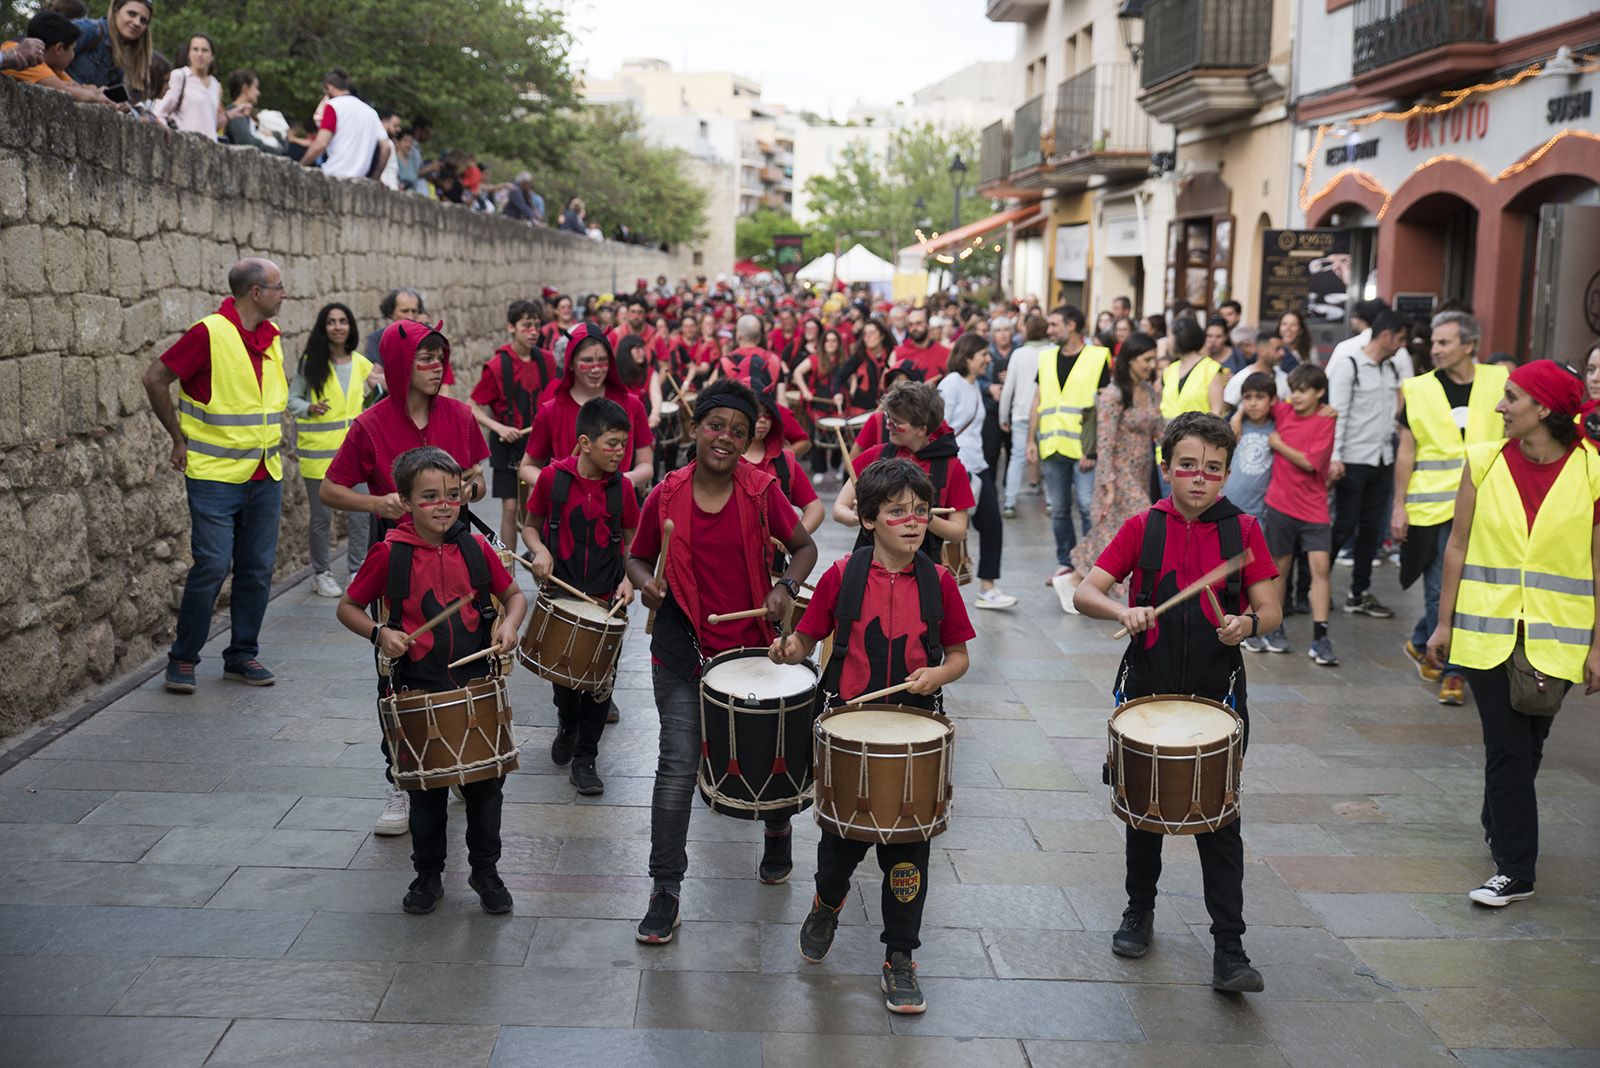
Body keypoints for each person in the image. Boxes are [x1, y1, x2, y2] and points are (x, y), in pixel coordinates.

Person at [1074, 412, 1282, 994]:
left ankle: (1230, 948)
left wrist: (1246, 623)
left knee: (1220, 823)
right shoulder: (1145, 527)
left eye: (1212, 470)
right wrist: (1122, 611)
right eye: (1187, 466)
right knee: (1144, 812)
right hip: (1149, 688)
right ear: (1166, 469)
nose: (1199, 478)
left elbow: (1271, 608)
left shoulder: (1243, 532)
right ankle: (1138, 911)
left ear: (1225, 475)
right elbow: (1085, 591)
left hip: (1218, 694)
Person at [771, 459, 973, 1014]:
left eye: (920, 512)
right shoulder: (843, 575)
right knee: (842, 843)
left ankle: (900, 957)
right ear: (867, 520)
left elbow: (958, 655)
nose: (912, 522)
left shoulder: (939, 582)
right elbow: (807, 639)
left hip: (914, 733)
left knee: (909, 855)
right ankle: (826, 903)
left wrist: (938, 674)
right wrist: (789, 648)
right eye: (896, 513)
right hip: (849, 730)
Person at [627, 380, 819, 944]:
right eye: (716, 426)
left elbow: (804, 547)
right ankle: (665, 888)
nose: (726, 438)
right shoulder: (665, 495)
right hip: (683, 647)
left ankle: (777, 826)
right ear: (694, 429)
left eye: (739, 430)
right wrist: (648, 587)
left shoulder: (762, 491)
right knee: (677, 764)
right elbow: (638, 557)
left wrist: (786, 583)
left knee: (768, 746)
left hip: (753, 646)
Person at [1427, 360, 1600, 908]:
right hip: (1484, 633)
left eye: (1512, 397)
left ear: (1544, 408)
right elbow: (1456, 545)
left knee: (1529, 747)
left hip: (1560, 637)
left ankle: (1499, 819)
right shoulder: (1482, 461)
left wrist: (1599, 645)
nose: (1500, 407)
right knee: (1507, 748)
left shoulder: (1594, 471)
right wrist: (1443, 620)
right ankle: (1515, 871)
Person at [336, 446, 526, 916]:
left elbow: (515, 595)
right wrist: (381, 634)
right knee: (426, 792)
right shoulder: (390, 553)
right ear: (403, 500)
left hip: (477, 682)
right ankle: (428, 873)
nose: (444, 505)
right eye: (429, 496)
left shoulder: (475, 547)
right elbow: (347, 607)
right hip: (417, 684)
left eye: (452, 494)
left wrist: (508, 626)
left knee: (486, 787)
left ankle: (486, 870)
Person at [320, 320, 489, 835]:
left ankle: (460, 758)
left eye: (441, 357)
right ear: (399, 366)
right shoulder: (370, 424)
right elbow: (330, 489)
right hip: (398, 565)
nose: (437, 368)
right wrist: (376, 501)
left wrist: (470, 489)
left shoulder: (458, 414)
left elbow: (479, 477)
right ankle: (402, 775)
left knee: (464, 657)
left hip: (459, 557)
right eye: (426, 359)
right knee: (397, 670)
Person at [141, 259, 288, 695]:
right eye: (279, 288)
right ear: (255, 292)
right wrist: (177, 437)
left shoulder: (273, 338)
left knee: (257, 570)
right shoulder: (210, 332)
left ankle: (242, 655)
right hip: (214, 475)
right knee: (211, 566)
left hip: (265, 473)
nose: (284, 296)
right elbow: (155, 378)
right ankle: (183, 659)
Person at [522, 399, 640, 796]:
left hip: (607, 601)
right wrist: (540, 551)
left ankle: (585, 758)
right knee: (564, 678)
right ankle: (567, 722)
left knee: (599, 683)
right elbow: (530, 527)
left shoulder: (622, 488)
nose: (619, 452)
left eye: (624, 444)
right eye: (611, 444)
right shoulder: (553, 480)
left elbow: (632, 543)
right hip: (561, 594)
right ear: (585, 443)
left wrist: (630, 579)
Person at [1394, 311, 1507, 705]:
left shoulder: (1500, 381)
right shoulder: (1418, 388)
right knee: (1440, 586)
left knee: (1474, 582)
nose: (1435, 350)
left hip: (1488, 502)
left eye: (1444, 342)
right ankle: (1453, 672)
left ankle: (1423, 639)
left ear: (1469, 345)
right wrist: (1399, 506)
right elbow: (1407, 451)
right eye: (1434, 343)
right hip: (1432, 506)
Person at [1068, 333, 1165, 598]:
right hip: (1118, 474)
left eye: (1154, 359)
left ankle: (1077, 578)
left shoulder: (1148, 391)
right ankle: (1082, 578)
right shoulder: (1113, 394)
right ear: (1131, 360)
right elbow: (1106, 442)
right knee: (1142, 521)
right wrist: (1108, 482)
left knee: (1116, 533)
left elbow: (1159, 428)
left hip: (1141, 471)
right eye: (1146, 359)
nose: (1151, 365)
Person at [833, 382, 973, 565]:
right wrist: (855, 517)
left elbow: (959, 531)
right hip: (871, 562)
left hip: (923, 567)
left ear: (922, 429)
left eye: (897, 423)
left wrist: (923, 516)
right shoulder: (876, 454)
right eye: (888, 419)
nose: (888, 426)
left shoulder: (952, 467)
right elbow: (839, 508)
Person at [1027, 305, 1111, 605]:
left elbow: (1104, 408)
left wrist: (1094, 448)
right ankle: (1066, 562)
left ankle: (1092, 567)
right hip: (1052, 446)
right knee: (1060, 509)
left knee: (1089, 507)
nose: (1049, 330)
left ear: (1072, 325)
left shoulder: (1098, 357)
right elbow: (1038, 399)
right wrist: (1031, 440)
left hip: (1083, 450)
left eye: (1054, 324)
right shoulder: (1047, 357)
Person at [1256, 365, 1338, 663]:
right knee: (1279, 566)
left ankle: (1321, 635)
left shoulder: (1326, 420)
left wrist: (1279, 444)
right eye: (1294, 389)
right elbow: (1253, 402)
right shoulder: (1284, 411)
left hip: (1314, 507)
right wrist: (1238, 417)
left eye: (1304, 390)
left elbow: (1310, 462)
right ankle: (1274, 627)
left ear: (1319, 392)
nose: (1297, 396)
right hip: (1279, 504)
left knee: (1321, 567)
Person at [1327, 308, 1404, 620]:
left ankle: (1358, 592)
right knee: (1343, 526)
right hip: (1352, 461)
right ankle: (1313, 584)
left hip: (1382, 459)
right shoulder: (1349, 366)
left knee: (1371, 530)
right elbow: (1338, 414)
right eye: (1400, 339)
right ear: (1385, 336)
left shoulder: (1391, 370)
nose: (1402, 346)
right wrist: (1334, 456)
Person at [515, 321, 654, 496]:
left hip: (617, 507)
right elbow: (527, 467)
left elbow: (646, 464)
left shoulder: (632, 405)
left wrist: (625, 480)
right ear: (571, 363)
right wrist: (557, 484)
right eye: (587, 360)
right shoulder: (551, 410)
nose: (596, 368)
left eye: (602, 360)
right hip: (565, 510)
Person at [289, 302, 369, 597]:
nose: (338, 327)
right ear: (324, 328)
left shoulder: (361, 364)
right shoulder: (311, 363)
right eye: (332, 322)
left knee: (361, 515)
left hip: (356, 456)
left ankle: (357, 569)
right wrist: (309, 407)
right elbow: (292, 400)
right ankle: (321, 573)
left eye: (343, 321)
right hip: (318, 456)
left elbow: (377, 399)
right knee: (322, 518)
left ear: (350, 327)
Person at [469, 300, 558, 550]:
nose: (533, 332)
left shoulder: (548, 361)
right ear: (511, 328)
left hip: (539, 442)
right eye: (526, 326)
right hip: (506, 444)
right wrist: (498, 427)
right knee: (509, 508)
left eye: (536, 326)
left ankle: (541, 559)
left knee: (540, 505)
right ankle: (508, 567)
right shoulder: (498, 365)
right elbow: (471, 405)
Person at [939, 335, 1014, 608]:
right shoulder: (951, 384)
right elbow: (940, 425)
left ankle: (988, 586)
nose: (988, 359)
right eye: (983, 354)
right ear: (968, 356)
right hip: (959, 468)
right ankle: (941, 586)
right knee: (954, 531)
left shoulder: (973, 386)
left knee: (992, 524)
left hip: (977, 466)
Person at [742, 390, 825, 536]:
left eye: (767, 413)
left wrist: (795, 541)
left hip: (774, 556)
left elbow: (815, 508)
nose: (762, 419)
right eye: (756, 413)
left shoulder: (786, 461)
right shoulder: (723, 459)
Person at [2, 11, 122, 106]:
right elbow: (71, 92)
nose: (73, 55)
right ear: (59, 49)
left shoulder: (53, 68)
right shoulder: (23, 57)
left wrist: (93, 90)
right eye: (72, 50)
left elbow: (77, 87)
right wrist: (96, 96)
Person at [998, 313, 1050, 516]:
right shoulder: (1052, 352)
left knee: (1017, 458)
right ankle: (1051, 502)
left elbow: (1008, 387)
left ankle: (1010, 501)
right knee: (1048, 460)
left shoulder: (1019, 354)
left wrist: (1004, 415)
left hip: (1020, 414)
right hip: (1046, 414)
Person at [299, 69, 389, 180]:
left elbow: (320, 144)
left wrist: (300, 166)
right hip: (360, 180)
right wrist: (376, 177)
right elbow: (386, 147)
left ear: (329, 87)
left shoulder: (333, 106)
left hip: (334, 174)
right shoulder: (370, 112)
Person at [151, 33, 240, 140]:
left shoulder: (215, 84)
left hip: (210, 147)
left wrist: (230, 114)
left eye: (204, 50)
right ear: (188, 53)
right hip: (186, 144)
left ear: (212, 56)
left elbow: (210, 123)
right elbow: (159, 112)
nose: (200, 54)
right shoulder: (180, 76)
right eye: (195, 49)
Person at [67, 0, 152, 101]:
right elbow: (48, 57)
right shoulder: (88, 30)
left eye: (143, 21)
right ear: (116, 10)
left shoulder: (121, 57)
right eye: (131, 14)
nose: (137, 23)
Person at [1161, 318, 1228, 420]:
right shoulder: (1170, 370)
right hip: (1170, 432)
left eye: (1169, 336)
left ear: (1181, 337)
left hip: (1199, 432)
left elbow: (1216, 412)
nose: (1167, 342)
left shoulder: (1211, 369)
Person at [834, 318, 895, 417]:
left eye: (872, 333)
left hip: (887, 407)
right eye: (865, 334)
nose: (868, 337)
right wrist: (837, 393)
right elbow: (840, 376)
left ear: (882, 336)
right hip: (862, 408)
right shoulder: (859, 356)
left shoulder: (891, 354)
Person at [222, 69, 288, 154]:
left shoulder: (246, 115)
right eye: (255, 88)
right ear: (245, 88)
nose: (258, 93)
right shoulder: (235, 113)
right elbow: (245, 141)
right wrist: (275, 150)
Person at [1223, 332, 1291, 408]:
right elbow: (1226, 408)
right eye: (1277, 349)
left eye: (1283, 349)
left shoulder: (1285, 379)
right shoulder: (1240, 379)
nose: (1282, 353)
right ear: (1261, 351)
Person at [893, 307, 950, 384]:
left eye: (918, 323)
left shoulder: (945, 353)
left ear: (927, 325)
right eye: (910, 324)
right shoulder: (897, 353)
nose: (914, 328)